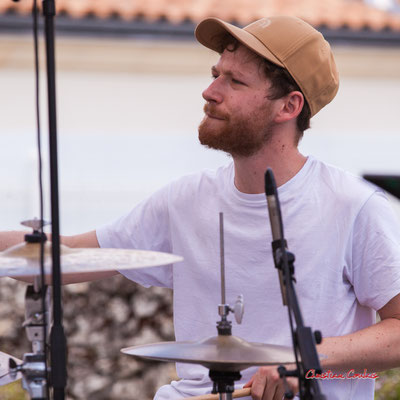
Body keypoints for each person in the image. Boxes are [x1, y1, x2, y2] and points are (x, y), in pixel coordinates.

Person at [2, 15, 400, 400]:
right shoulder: (185, 199)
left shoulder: (354, 206)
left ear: (288, 106)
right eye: (215, 75)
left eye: (235, 81)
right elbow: (62, 256)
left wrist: (307, 358)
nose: (210, 92)